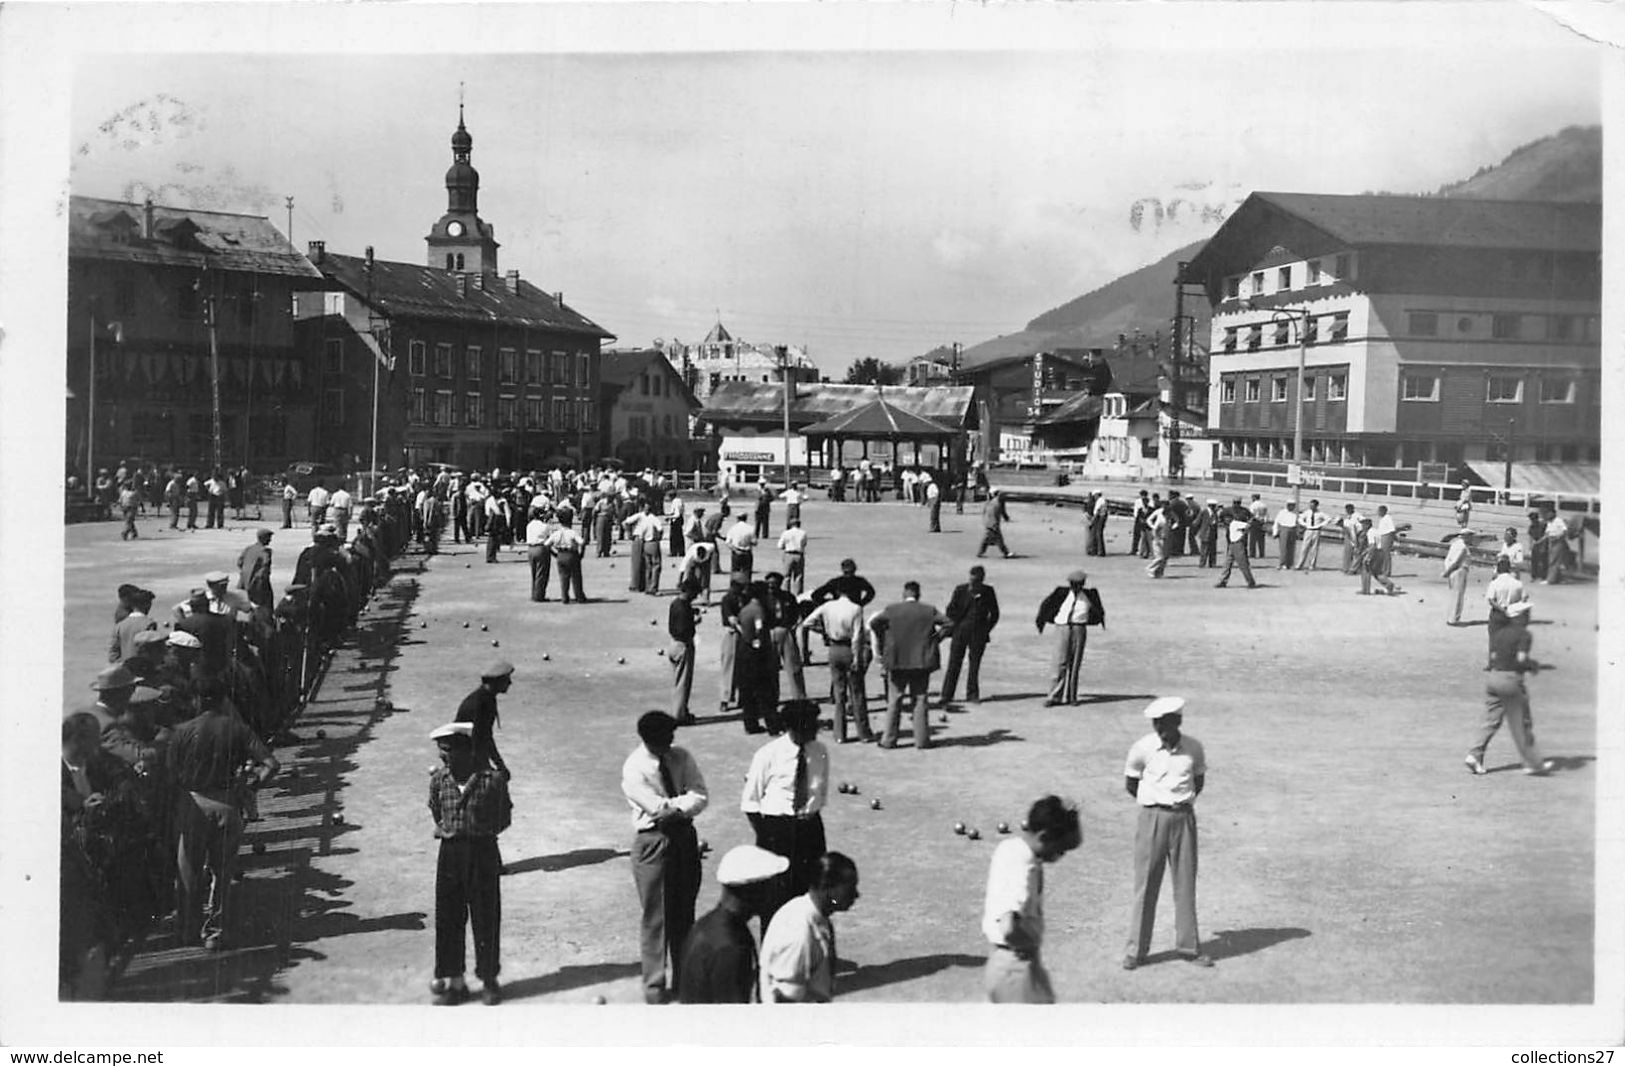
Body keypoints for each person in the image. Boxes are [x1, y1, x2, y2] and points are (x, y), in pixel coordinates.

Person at [167, 678, 279, 949]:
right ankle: (214, 932)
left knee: (188, 870)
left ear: (197, 700)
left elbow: (169, 776)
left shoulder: (181, 731)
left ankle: (187, 930)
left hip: (192, 803)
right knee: (222, 872)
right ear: (223, 701)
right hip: (227, 804)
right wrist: (250, 787)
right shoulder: (238, 729)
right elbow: (271, 764)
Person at [621, 711, 708, 1004]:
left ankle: (684, 981)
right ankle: (655, 987)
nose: (671, 743)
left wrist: (679, 807)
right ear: (649, 740)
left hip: (684, 838)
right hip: (653, 842)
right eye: (665, 739)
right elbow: (658, 810)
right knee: (656, 918)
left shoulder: (681, 757)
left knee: (684, 913)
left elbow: (701, 795)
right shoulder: (635, 768)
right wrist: (682, 804)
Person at [1122, 696, 1211, 970]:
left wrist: (1179, 802)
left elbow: (1198, 780)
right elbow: (1131, 783)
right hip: (1153, 819)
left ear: (1178, 722)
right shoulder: (1142, 748)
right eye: (1156, 723)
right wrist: (1156, 803)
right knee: (1146, 884)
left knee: (1185, 884)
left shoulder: (1194, 749)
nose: (1160, 728)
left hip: (1183, 818)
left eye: (1166, 723)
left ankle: (1188, 948)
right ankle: (1136, 952)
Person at [427, 721, 512, 1006]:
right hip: (450, 854)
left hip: (483, 853)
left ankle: (489, 980)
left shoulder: (492, 781)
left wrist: (481, 832)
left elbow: (504, 817)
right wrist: (450, 829)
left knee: (486, 918)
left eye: (447, 750)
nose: (442, 756)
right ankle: (456, 982)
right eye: (441, 750)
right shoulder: (439, 780)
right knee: (448, 918)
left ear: (466, 750)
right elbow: (436, 810)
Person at [983, 795, 1083, 1003]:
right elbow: (1008, 926)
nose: (1060, 856)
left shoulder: (1010, 847)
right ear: (1044, 837)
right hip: (1015, 969)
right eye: (1060, 849)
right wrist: (1027, 947)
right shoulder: (1024, 868)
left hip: (1004, 964)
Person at [741, 698, 829, 918]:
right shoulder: (768, 755)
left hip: (810, 829)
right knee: (774, 900)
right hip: (776, 831)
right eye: (809, 726)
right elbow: (750, 803)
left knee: (812, 897)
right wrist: (768, 836)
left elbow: (820, 792)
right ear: (793, 728)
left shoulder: (820, 752)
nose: (815, 730)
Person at [676, 845, 790, 1003]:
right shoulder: (730, 948)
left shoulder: (709, 924)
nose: (778, 891)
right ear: (753, 891)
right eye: (772, 885)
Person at [759, 851, 861, 1003]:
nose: (856, 895)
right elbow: (784, 999)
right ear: (828, 889)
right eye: (849, 888)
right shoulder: (800, 932)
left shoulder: (815, 913)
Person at [1466, 611, 1555, 777]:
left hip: (1493, 678)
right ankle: (1532, 763)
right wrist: (1532, 666)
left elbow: (1492, 656)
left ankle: (1474, 755)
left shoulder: (1499, 634)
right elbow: (1521, 659)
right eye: (1526, 614)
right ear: (1520, 618)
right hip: (1510, 680)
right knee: (1523, 722)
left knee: (1490, 720)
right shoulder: (1523, 635)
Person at [867, 581, 951, 750]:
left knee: (894, 700)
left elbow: (874, 623)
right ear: (918, 594)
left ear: (904, 594)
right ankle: (921, 740)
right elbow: (949, 623)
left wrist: (886, 638)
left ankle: (889, 739)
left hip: (897, 659)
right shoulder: (928, 610)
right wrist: (935, 639)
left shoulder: (892, 610)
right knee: (920, 699)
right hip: (921, 661)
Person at [798, 588, 873, 743]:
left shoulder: (827, 607)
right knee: (857, 692)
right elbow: (857, 635)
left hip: (834, 649)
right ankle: (863, 733)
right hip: (848, 648)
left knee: (839, 694)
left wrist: (823, 631)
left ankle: (840, 734)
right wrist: (857, 657)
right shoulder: (856, 609)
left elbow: (807, 622)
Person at [1036, 570, 1105, 706]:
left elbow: (1099, 611)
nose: (1076, 587)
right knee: (1059, 662)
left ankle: (1071, 696)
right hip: (1063, 627)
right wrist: (1043, 621)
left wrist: (1093, 621)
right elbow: (1046, 606)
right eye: (1074, 584)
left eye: (1079, 584)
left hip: (1079, 628)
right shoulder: (1060, 593)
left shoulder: (1090, 595)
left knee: (1074, 664)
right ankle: (1054, 696)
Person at [941, 565, 1000, 707]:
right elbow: (950, 609)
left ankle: (972, 694)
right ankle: (947, 695)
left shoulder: (988, 591)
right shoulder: (961, 590)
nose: (973, 584)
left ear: (981, 580)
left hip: (978, 634)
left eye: (976, 581)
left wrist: (986, 630)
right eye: (972, 580)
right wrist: (954, 625)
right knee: (954, 664)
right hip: (960, 632)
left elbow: (994, 614)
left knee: (974, 665)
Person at [735, 582, 781, 735]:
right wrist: (761, 647)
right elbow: (760, 630)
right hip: (757, 655)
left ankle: (750, 723)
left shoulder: (744, 610)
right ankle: (772, 725)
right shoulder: (758, 611)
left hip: (743, 651)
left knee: (747, 691)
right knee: (765, 691)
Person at [454, 661, 514, 778]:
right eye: (506, 680)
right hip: (466, 759)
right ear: (495, 682)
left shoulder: (485, 697)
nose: (510, 683)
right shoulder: (481, 703)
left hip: (467, 755)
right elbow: (480, 737)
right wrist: (496, 766)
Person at [764, 571, 808, 702]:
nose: (771, 586)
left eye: (774, 584)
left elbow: (796, 613)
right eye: (769, 583)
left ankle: (799, 696)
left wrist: (792, 626)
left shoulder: (788, 597)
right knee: (770, 668)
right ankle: (772, 697)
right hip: (770, 632)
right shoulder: (763, 598)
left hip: (786, 631)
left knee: (794, 666)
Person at [668, 581, 701, 724]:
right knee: (683, 683)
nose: (696, 596)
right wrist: (694, 623)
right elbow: (683, 630)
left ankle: (682, 711)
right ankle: (679, 715)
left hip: (673, 644)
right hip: (683, 645)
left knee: (678, 681)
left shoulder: (675, 603)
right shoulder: (683, 608)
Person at [108, 587, 156, 663]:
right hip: (144, 671)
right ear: (147, 605)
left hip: (125, 671)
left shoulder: (119, 626)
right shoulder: (149, 624)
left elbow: (113, 655)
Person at [545, 518, 587, 604]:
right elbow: (582, 542)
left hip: (561, 554)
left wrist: (554, 554)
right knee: (576, 577)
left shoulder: (556, 533)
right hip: (572, 554)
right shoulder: (572, 533)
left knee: (563, 577)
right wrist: (581, 553)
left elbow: (546, 544)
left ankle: (564, 597)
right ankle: (579, 596)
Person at [1355, 517, 1401, 596]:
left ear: (1367, 525)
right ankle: (1389, 584)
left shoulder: (1370, 532)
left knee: (1366, 570)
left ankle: (1365, 590)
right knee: (1377, 572)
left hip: (1374, 552)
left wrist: (1366, 556)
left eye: (1363, 524)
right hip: (1380, 552)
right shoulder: (1375, 530)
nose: (1362, 526)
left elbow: (1372, 545)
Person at [1442, 529, 1478, 626]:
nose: (1472, 538)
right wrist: (1447, 572)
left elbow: (1448, 559)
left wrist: (1447, 571)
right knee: (1458, 595)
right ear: (1465, 536)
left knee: (1453, 595)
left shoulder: (1455, 544)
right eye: (1470, 536)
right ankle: (1454, 619)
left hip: (1452, 571)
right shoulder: (1463, 548)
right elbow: (1456, 562)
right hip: (1459, 570)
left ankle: (1451, 617)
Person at [237, 528, 275, 609]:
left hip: (245, 581)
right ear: (263, 538)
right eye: (268, 537)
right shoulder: (265, 552)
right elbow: (265, 568)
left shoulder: (249, 548)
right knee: (264, 606)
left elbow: (239, 563)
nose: (270, 540)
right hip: (258, 583)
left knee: (250, 605)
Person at [525, 507, 554, 602]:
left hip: (530, 549)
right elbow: (549, 539)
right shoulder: (544, 526)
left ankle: (534, 594)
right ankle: (539, 596)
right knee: (541, 574)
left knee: (534, 573)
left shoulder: (529, 525)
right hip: (541, 548)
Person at [1372, 504, 1410, 579]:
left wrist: (1393, 538)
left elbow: (1392, 529)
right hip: (1382, 536)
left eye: (1379, 511)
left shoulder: (1387, 518)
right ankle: (1383, 570)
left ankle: (1387, 571)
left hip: (1387, 536)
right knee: (1382, 554)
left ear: (1383, 511)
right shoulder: (1382, 519)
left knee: (1386, 554)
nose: (1378, 513)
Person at [725, 513, 758, 586]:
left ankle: (734, 587)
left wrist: (735, 550)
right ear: (746, 518)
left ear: (737, 519)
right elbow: (755, 542)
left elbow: (728, 543)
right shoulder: (751, 528)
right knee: (747, 572)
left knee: (735, 571)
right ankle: (746, 588)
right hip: (747, 552)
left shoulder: (733, 528)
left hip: (736, 552)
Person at [977, 489, 1013, 559]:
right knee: (999, 539)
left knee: (986, 539)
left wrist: (1006, 518)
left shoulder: (991, 502)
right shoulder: (995, 503)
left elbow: (1001, 511)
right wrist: (994, 524)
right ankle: (1006, 553)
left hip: (989, 523)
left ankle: (980, 552)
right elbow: (992, 514)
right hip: (992, 524)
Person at [777, 519, 808, 596]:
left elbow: (780, 545)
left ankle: (785, 594)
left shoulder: (786, 533)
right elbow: (804, 544)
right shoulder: (803, 533)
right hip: (799, 554)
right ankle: (798, 595)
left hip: (788, 554)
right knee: (798, 576)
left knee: (786, 576)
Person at [1296, 499, 1330, 571]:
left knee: (1314, 549)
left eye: (1313, 506)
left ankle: (1312, 565)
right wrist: (1304, 524)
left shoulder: (1320, 513)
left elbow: (1328, 519)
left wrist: (1321, 525)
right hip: (1308, 530)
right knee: (1304, 548)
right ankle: (1299, 565)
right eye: (1310, 505)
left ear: (1316, 506)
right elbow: (1300, 518)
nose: (1311, 507)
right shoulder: (1307, 512)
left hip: (1316, 531)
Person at [1144, 498, 1171, 579]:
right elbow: (1154, 530)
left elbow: (1176, 520)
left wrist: (1173, 527)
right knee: (1160, 557)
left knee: (1165, 557)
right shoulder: (1160, 520)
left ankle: (1159, 572)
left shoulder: (1168, 517)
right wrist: (1156, 539)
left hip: (1166, 538)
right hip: (1159, 540)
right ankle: (1150, 568)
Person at [1272, 500, 1299, 570]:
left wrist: (1297, 533)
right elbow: (1276, 522)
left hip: (1292, 530)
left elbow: (1297, 524)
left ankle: (1290, 563)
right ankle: (1282, 563)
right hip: (1284, 529)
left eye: (1293, 505)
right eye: (1290, 505)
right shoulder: (1282, 512)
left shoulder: (1295, 513)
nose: (1292, 507)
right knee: (1283, 548)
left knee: (1291, 548)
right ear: (1287, 505)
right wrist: (1275, 532)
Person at [1338, 503, 1363, 574]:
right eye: (1347, 509)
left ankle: (1355, 569)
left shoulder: (1358, 515)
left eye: (1349, 509)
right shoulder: (1347, 517)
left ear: (1353, 509)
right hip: (1348, 534)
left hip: (1357, 534)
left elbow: (1361, 525)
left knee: (1357, 552)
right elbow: (1345, 525)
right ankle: (1346, 568)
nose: (1348, 511)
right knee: (1347, 552)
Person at [1246, 494, 1269, 559]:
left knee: (1253, 539)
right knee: (1261, 539)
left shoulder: (1253, 505)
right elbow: (1267, 514)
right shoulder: (1264, 505)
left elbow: (1251, 514)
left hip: (1255, 521)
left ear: (1254, 498)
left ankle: (1252, 553)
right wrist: (1265, 521)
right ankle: (1262, 553)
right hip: (1262, 522)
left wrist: (1249, 522)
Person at [1131, 490, 1151, 558]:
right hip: (1139, 518)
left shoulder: (1144, 501)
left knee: (1142, 536)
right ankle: (1135, 549)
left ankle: (1140, 550)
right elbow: (1136, 510)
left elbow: (1136, 510)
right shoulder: (1139, 501)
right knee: (1138, 535)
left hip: (1141, 519)